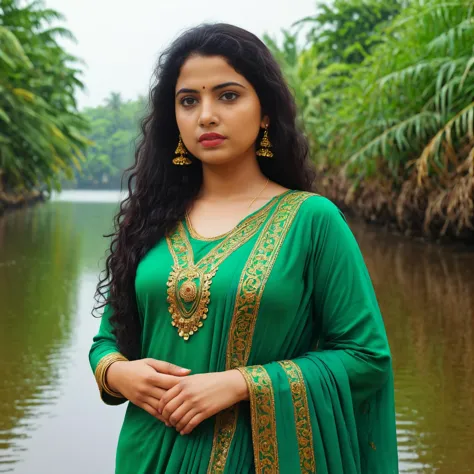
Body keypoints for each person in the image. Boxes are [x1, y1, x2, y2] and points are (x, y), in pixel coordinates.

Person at [89, 23, 399, 474]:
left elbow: (367, 357)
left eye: (228, 95)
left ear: (266, 112)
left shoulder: (311, 220)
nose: (206, 115)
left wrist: (242, 384)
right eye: (188, 100)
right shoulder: (151, 220)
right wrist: (121, 375)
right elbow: (107, 342)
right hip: (147, 455)